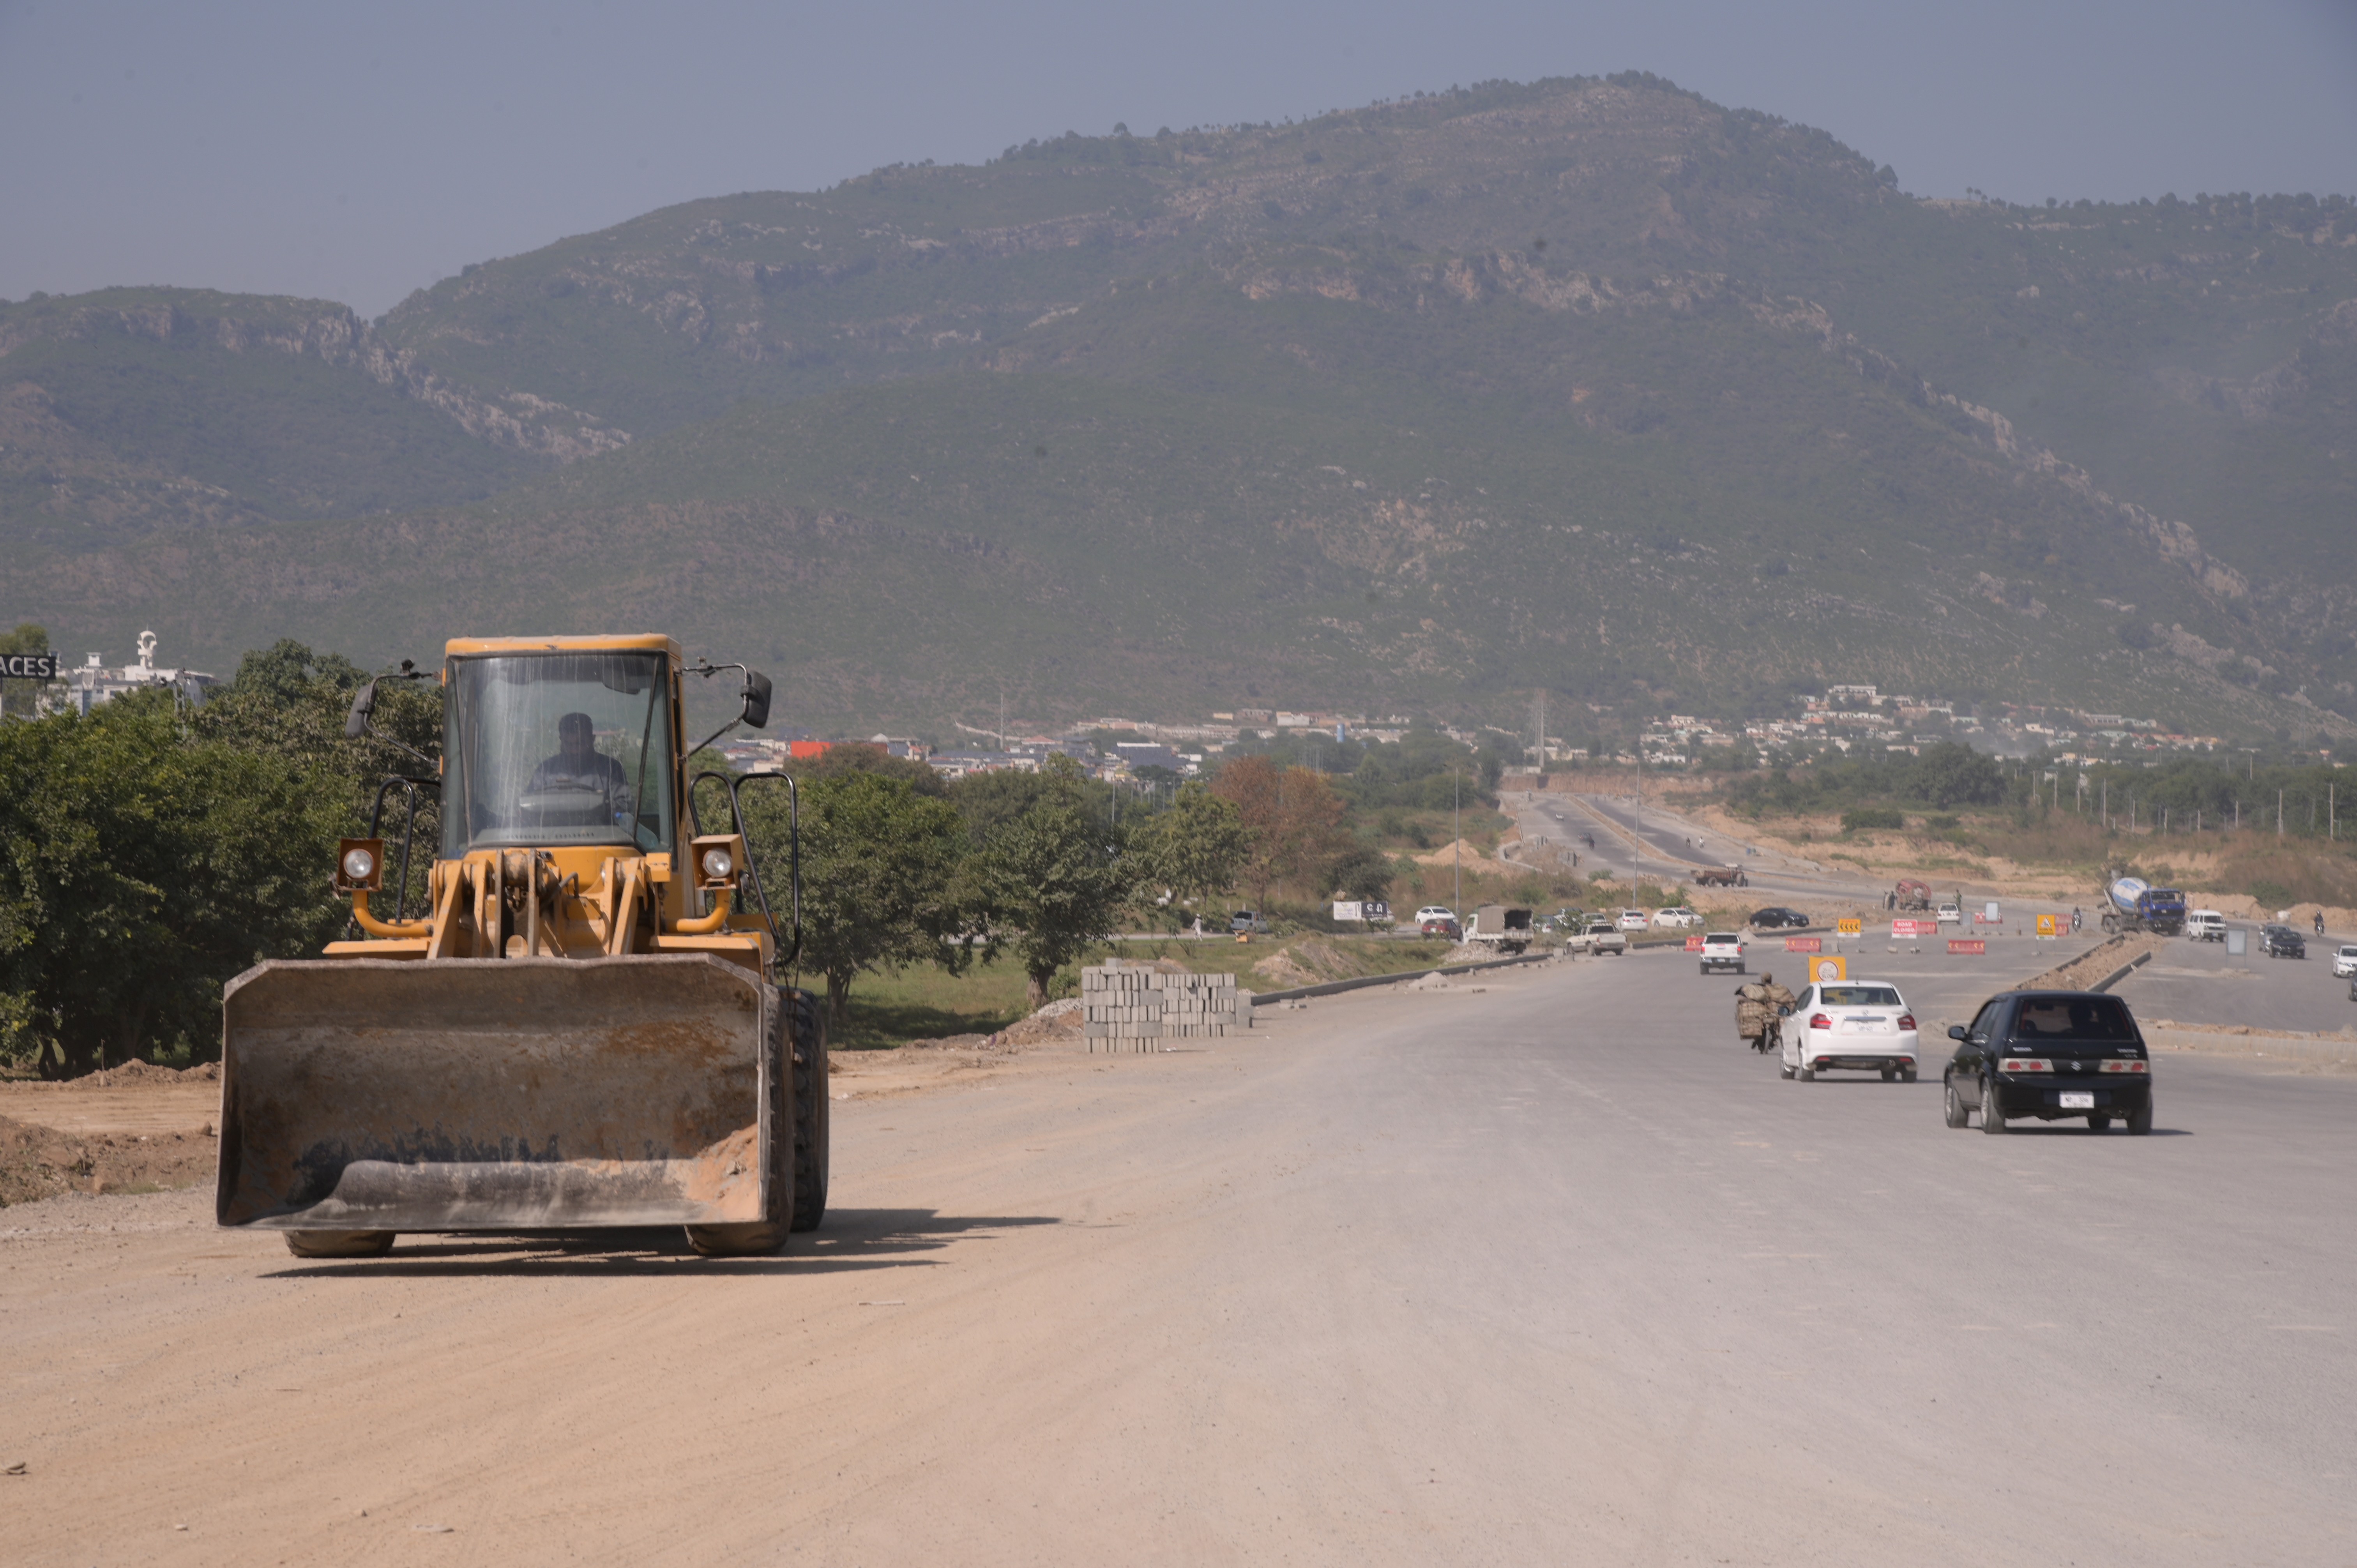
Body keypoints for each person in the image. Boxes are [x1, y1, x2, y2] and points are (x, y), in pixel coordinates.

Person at [527, 711, 634, 825]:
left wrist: (603, 808)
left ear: (593, 739)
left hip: (601, 837)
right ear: (561, 740)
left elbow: (624, 807)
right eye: (569, 744)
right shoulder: (545, 770)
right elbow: (529, 805)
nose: (575, 750)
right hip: (551, 838)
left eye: (580, 743)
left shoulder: (611, 768)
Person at [1735, 970, 1797, 1054]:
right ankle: (1761, 1041)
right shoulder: (1778, 989)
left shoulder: (1758, 989)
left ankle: (1759, 1041)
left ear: (1762, 980)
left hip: (1767, 1014)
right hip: (1772, 1013)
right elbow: (1791, 1000)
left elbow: (1744, 996)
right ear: (1771, 980)